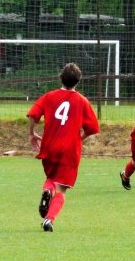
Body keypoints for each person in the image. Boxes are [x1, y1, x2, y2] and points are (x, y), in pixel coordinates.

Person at [28, 63, 99, 232]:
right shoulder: (82, 101)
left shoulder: (49, 96)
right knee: (62, 189)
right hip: (69, 150)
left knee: (52, 178)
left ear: (61, 77)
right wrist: (79, 138)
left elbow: (33, 114)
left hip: (49, 145)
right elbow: (92, 129)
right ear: (78, 81)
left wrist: (32, 133)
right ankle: (49, 220)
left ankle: (47, 190)